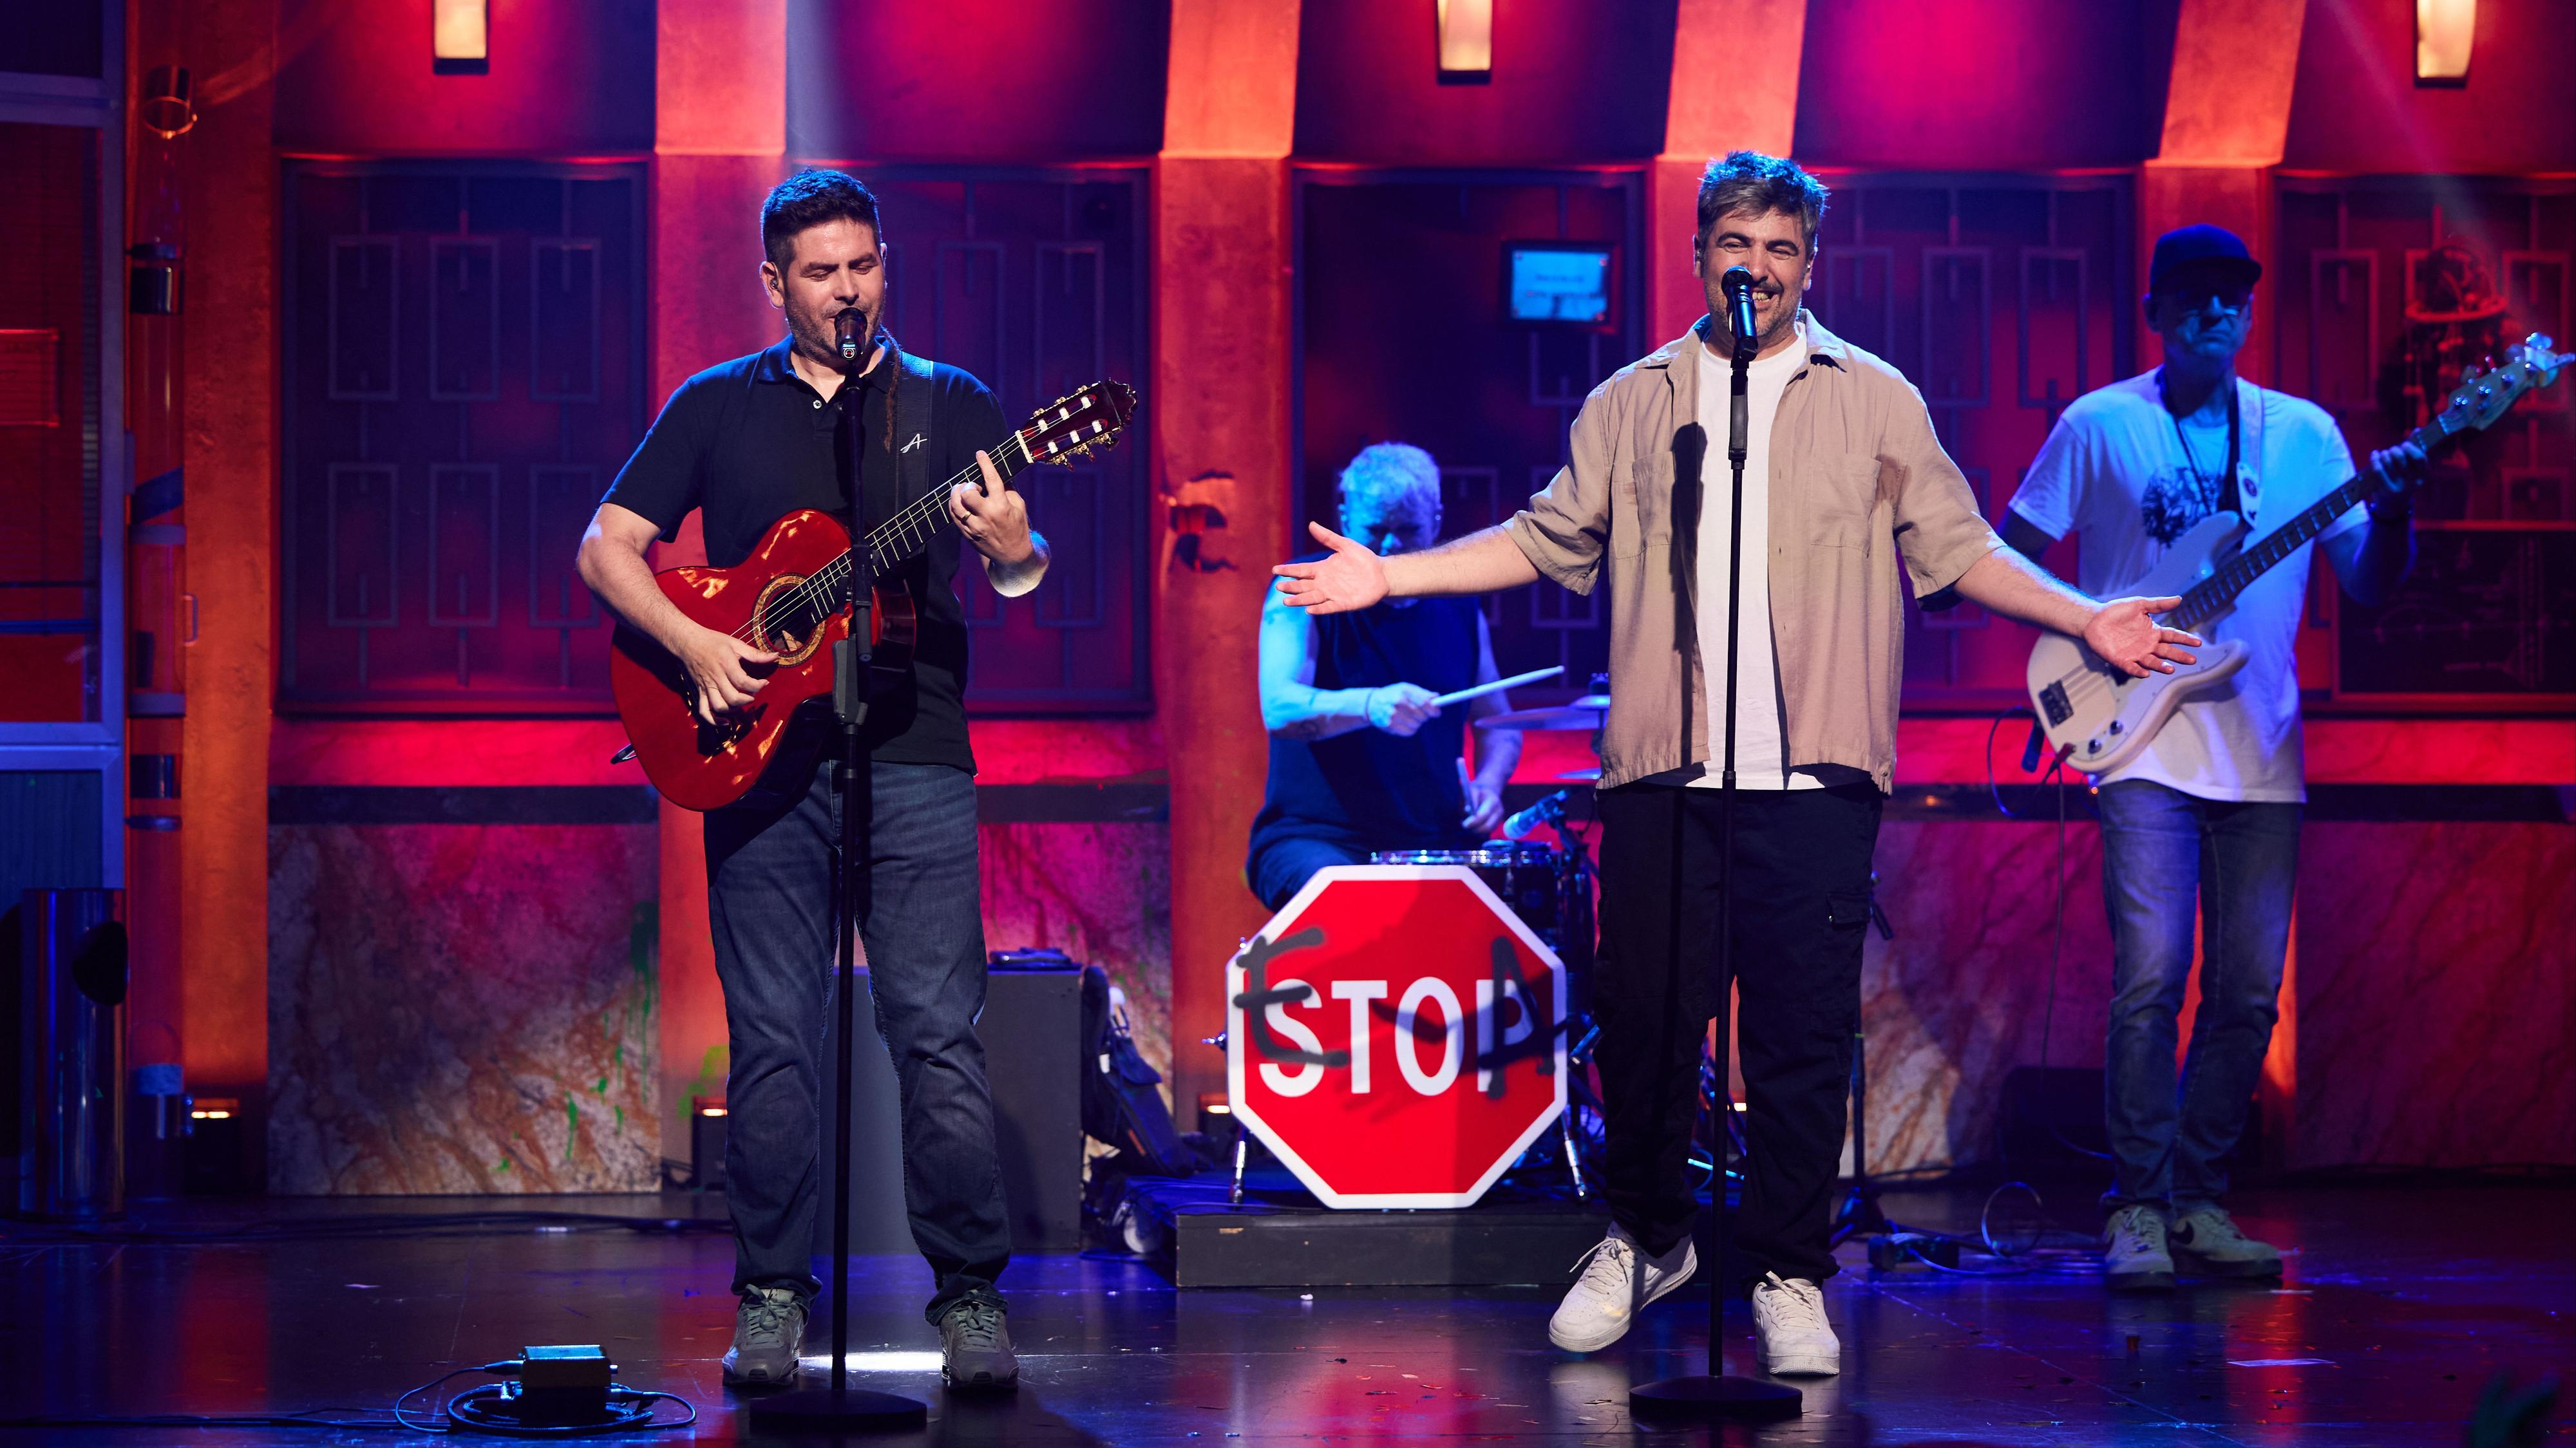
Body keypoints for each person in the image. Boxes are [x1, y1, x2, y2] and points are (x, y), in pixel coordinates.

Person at [1276, 151, 2197, 1378]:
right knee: (1646, 1027)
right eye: (1735, 243)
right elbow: (1544, 537)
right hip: (1667, 773)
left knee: (1803, 1039)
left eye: (1779, 248)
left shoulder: (1875, 400)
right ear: (1700, 252)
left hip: (1815, 779)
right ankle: (1647, 1236)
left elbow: (1962, 546)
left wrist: (2085, 617)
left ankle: (1788, 1271)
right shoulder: (1635, 400)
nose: (1755, 266)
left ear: (1809, 265)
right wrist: (1391, 574)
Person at [576, 169, 1048, 1391]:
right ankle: (774, 1295)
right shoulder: (715, 404)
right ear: (775, 283)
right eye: (823, 272)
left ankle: (971, 1298)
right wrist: (695, 645)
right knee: (775, 1040)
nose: (849, 291)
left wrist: (1016, 552)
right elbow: (607, 545)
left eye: (865, 266)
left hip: (916, 753)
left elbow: (1016, 570)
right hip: (761, 763)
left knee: (937, 1035)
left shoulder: (948, 402)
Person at [2002, 223, 2422, 1293]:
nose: (2214, 310)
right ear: (2155, 310)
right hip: (2138, 742)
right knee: (2151, 979)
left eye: (2232, 293)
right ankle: (2137, 1206)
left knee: (2246, 994)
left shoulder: (2305, 435)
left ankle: (2197, 1200)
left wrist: (2397, 506)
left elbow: (2369, 584)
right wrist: (2089, 629)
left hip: (2262, 750)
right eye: (2192, 292)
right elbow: (2005, 552)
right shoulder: (2100, 423)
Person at [1246, 443, 1525, 909]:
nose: (1392, 546)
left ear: (1436, 521)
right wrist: (1370, 705)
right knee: (1357, 906)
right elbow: (1279, 708)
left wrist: (1489, 786)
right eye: (1376, 531)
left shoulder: (1460, 605)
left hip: (1436, 840)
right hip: (1319, 838)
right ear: (1345, 519)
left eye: (1409, 530)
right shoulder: (1301, 591)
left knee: (1521, 905)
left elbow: (1499, 725)